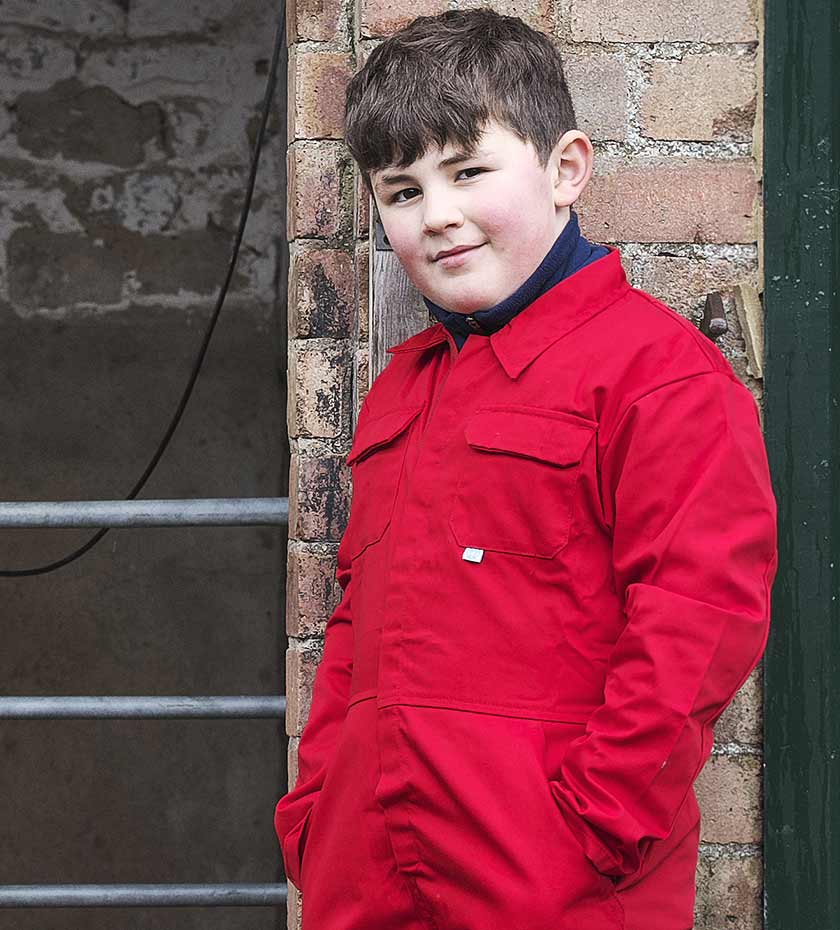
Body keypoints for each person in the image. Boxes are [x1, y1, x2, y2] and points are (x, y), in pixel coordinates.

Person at [274, 9, 779, 930]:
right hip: (369, 872)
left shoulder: (655, 375)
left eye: (469, 171)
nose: (438, 215)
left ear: (565, 168)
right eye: (401, 191)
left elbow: (698, 621)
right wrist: (315, 810)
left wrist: (598, 824)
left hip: (554, 883)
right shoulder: (402, 392)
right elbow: (352, 626)